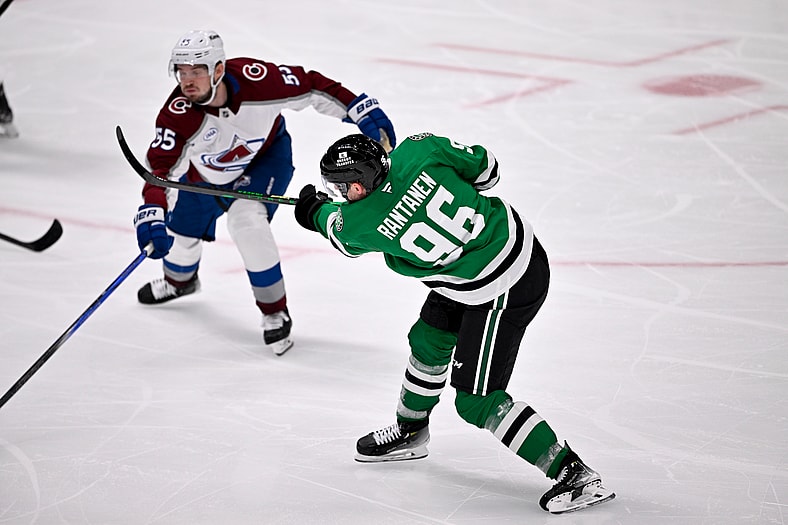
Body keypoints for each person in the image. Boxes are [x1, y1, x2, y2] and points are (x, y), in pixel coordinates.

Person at [293, 133, 615, 514]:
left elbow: (336, 228)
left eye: (342, 187)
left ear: (359, 184)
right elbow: (487, 170)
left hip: (505, 287)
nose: (340, 194)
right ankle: (411, 431)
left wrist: (312, 209)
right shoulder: (419, 148)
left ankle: (574, 473)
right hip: (499, 255)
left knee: (477, 400)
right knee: (428, 338)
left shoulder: (359, 221)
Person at [133, 30, 396, 356]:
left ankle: (274, 310)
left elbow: (312, 85)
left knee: (247, 224)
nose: (187, 80)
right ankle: (180, 281)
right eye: (182, 71)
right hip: (201, 177)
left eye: (197, 70)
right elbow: (160, 172)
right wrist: (153, 211)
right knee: (179, 235)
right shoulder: (177, 117)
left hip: (264, 163)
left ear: (218, 69)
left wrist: (358, 108)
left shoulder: (258, 81)